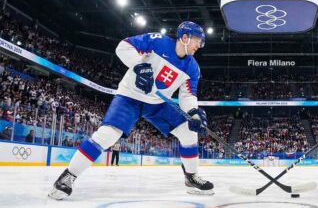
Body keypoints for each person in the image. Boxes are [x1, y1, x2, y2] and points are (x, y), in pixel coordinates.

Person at [49, 21, 213, 200]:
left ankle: (191, 177)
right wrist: (139, 65)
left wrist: (194, 113)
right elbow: (124, 46)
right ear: (184, 38)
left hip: (157, 103)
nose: (200, 45)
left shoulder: (193, 68)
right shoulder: (157, 41)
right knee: (108, 134)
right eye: (198, 40)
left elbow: (187, 95)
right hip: (130, 96)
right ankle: (68, 176)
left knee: (189, 132)